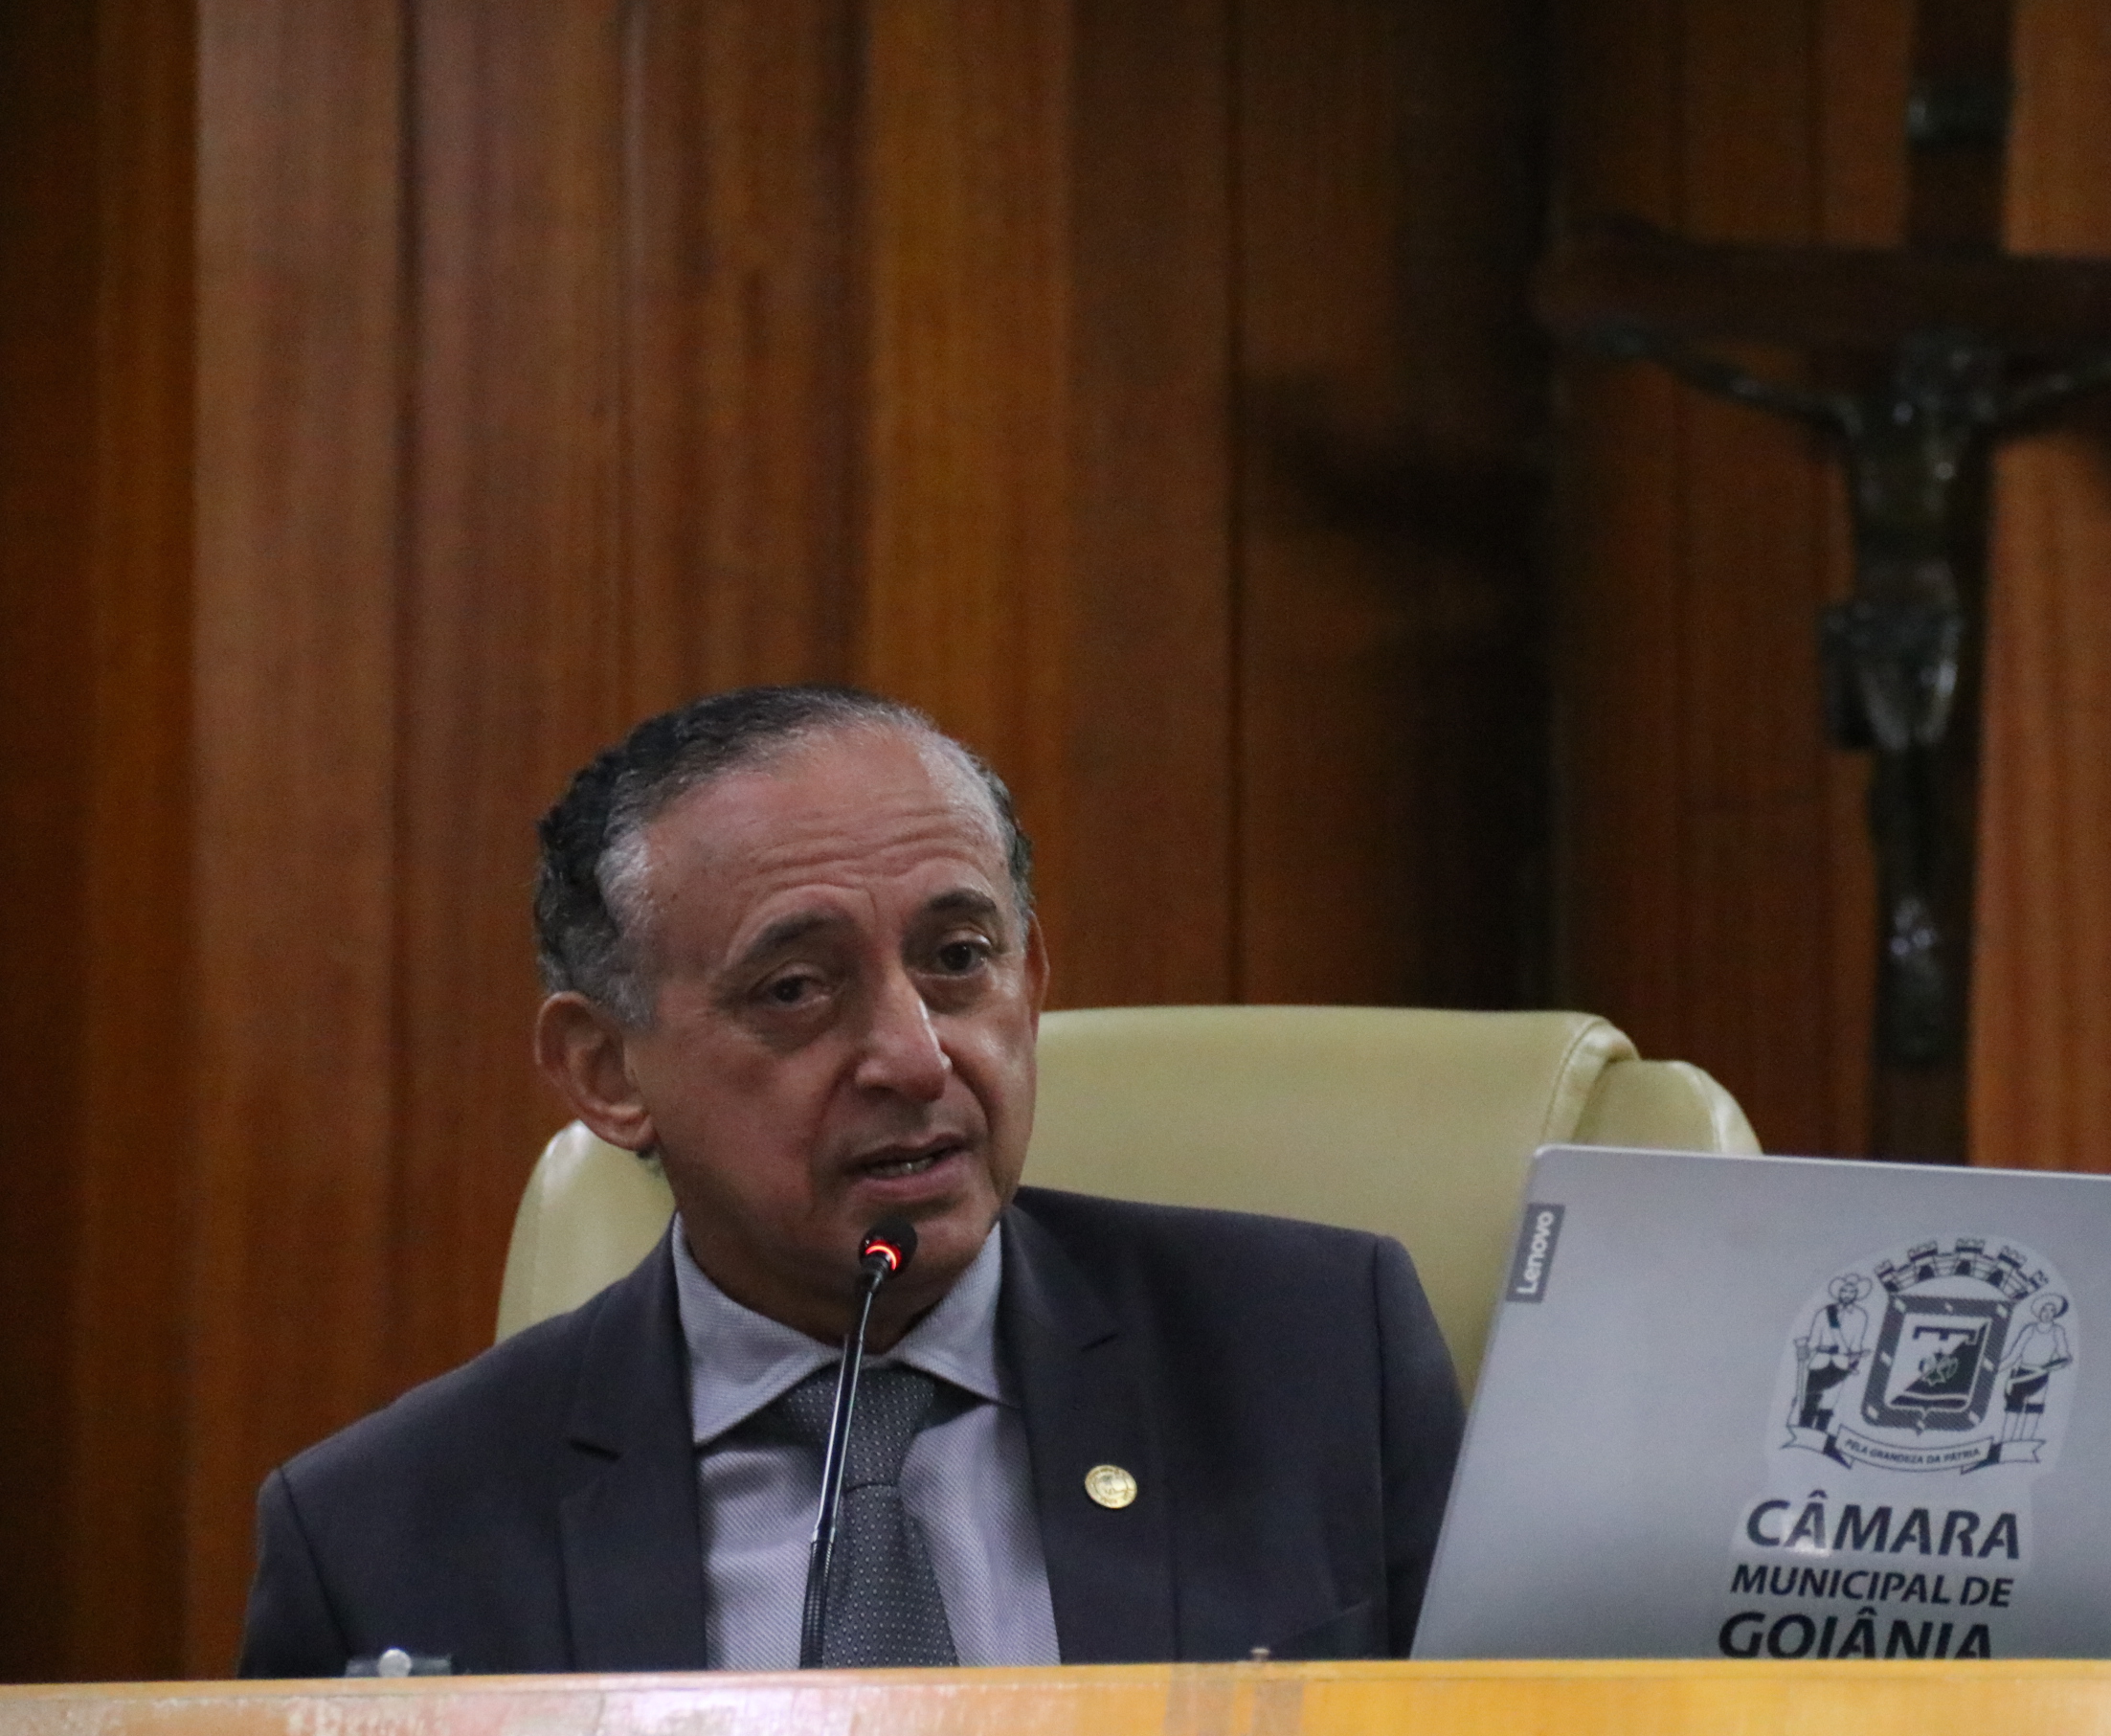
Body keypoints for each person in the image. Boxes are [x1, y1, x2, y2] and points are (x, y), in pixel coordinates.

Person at [237, 686, 1464, 1676]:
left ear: (1030, 979)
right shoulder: (385, 1534)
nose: (915, 1057)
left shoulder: (1316, 1359)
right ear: (607, 1071)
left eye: (958, 959)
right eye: (796, 989)